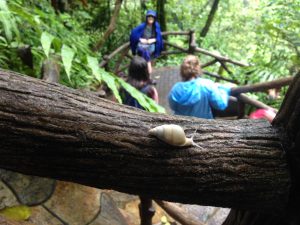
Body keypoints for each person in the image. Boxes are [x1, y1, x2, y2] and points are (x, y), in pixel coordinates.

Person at [168, 55, 231, 119]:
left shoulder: (176, 88)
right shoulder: (207, 84)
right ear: (198, 68)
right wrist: (222, 89)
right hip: (204, 125)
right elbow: (220, 105)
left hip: (181, 125)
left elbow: (173, 107)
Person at [130, 10, 163, 75]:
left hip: (151, 45)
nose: (150, 18)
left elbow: (159, 37)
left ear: (154, 18)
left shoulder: (156, 26)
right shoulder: (142, 26)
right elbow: (133, 33)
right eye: (149, 17)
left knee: (146, 54)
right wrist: (140, 39)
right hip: (142, 45)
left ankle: (146, 75)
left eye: (152, 17)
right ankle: (149, 74)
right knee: (144, 53)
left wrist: (154, 40)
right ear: (147, 18)